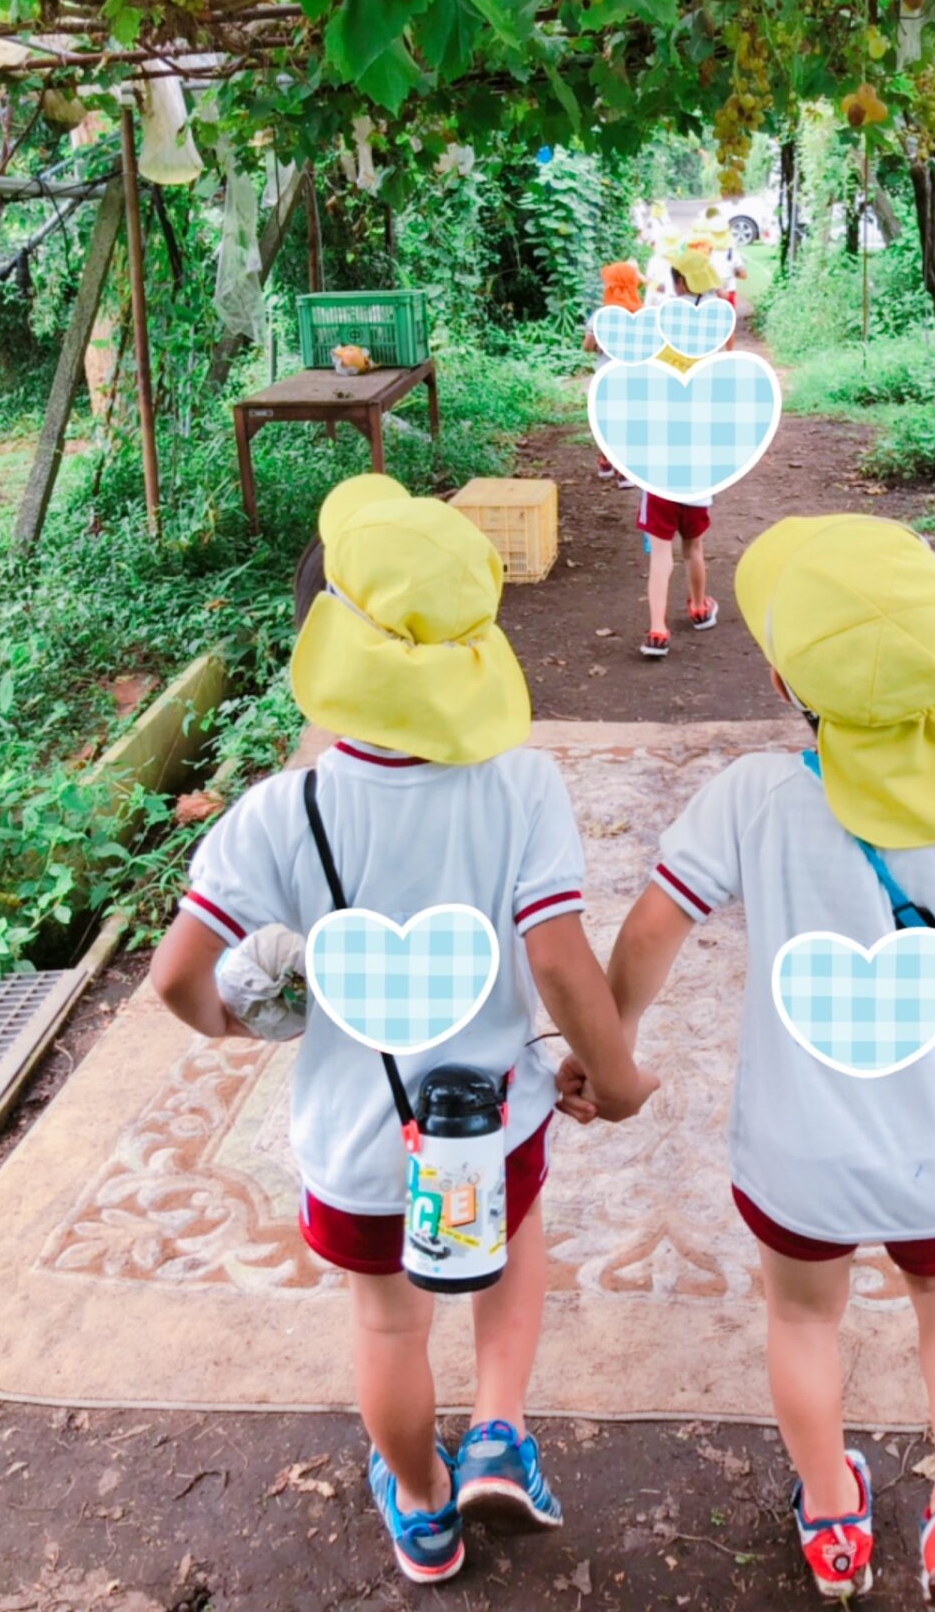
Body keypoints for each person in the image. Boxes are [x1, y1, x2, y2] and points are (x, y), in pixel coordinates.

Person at [151, 473, 657, 1588]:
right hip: (493, 1118)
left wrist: (232, 1022)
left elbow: (178, 977)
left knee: (388, 1328)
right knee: (512, 1247)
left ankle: (424, 1508)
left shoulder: (283, 812)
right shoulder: (520, 786)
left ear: (323, 653)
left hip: (358, 1141)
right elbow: (558, 959)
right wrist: (614, 1072)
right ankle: (500, 1432)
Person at [561, 516, 935, 1607]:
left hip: (793, 1152)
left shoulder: (753, 796)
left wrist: (612, 1046)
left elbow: (653, 929)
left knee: (801, 1316)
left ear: (786, 680)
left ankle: (834, 1521)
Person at [635, 248, 732, 658]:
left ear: (677, 282)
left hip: (658, 462)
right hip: (698, 465)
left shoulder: (659, 328)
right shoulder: (713, 334)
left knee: (660, 552)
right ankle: (698, 607)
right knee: (694, 546)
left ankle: (657, 629)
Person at [583, 260, 643, 485]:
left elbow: (588, 346)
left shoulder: (600, 316)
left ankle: (605, 462)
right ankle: (625, 471)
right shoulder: (643, 314)